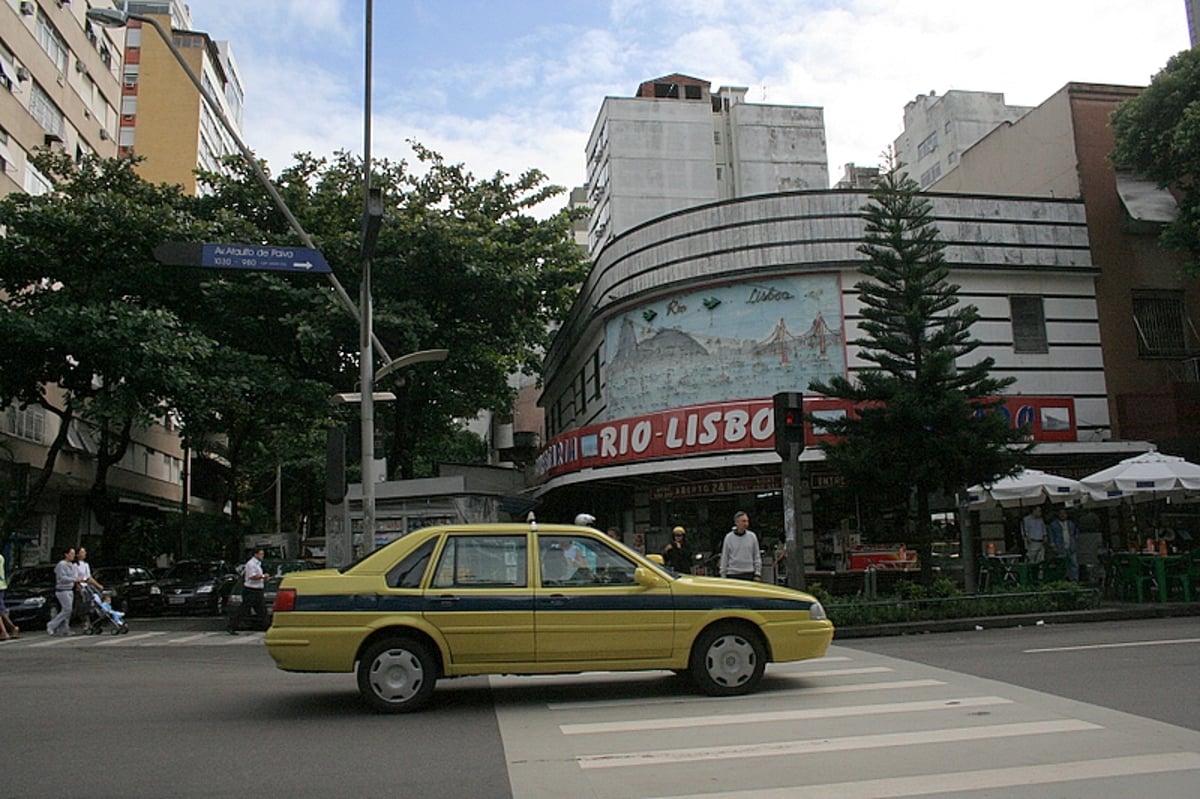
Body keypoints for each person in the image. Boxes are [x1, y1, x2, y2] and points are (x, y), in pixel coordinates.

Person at [227, 548, 268, 634]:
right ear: (255, 554)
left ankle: (266, 626)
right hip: (251, 590)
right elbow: (252, 576)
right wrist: (263, 576)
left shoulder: (258, 564)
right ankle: (232, 626)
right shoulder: (251, 564)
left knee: (262, 610)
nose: (262, 556)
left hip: (258, 590)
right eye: (261, 554)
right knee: (244, 609)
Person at [47, 547, 80, 637]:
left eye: (74, 554)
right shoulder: (61, 564)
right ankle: (51, 625)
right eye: (71, 553)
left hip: (70, 589)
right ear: (66, 554)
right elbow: (62, 578)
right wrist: (74, 579)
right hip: (62, 590)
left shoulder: (72, 565)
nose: (73, 556)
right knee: (67, 609)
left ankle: (65, 629)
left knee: (68, 611)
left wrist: (77, 582)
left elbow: (75, 576)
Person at [720, 511, 761, 581]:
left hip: (749, 573)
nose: (746, 524)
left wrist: (758, 573)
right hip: (733, 573)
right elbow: (725, 557)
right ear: (737, 522)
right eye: (743, 521)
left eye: (747, 521)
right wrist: (723, 574)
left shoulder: (752, 536)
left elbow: (756, 556)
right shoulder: (729, 537)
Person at [72, 546, 103, 626]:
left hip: (87, 586)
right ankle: (85, 622)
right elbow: (75, 579)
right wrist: (79, 588)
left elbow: (89, 578)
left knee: (95, 600)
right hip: (81, 588)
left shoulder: (85, 565)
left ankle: (95, 621)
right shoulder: (75, 565)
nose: (84, 553)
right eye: (82, 552)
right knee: (83, 606)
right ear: (77, 554)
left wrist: (98, 586)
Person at [1048, 507, 1080, 581]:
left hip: (1071, 546)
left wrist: (1075, 540)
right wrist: (1053, 545)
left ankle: (1074, 579)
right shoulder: (1053, 524)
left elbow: (1076, 532)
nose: (1063, 515)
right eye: (1061, 514)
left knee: (1074, 563)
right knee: (1062, 564)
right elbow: (1051, 535)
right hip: (1060, 546)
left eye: (1064, 514)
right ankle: (1063, 579)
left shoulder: (1071, 523)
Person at [0, 550, 17, 640]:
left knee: (1, 610)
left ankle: (12, 628)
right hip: (2, 585)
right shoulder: (1, 557)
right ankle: (4, 631)